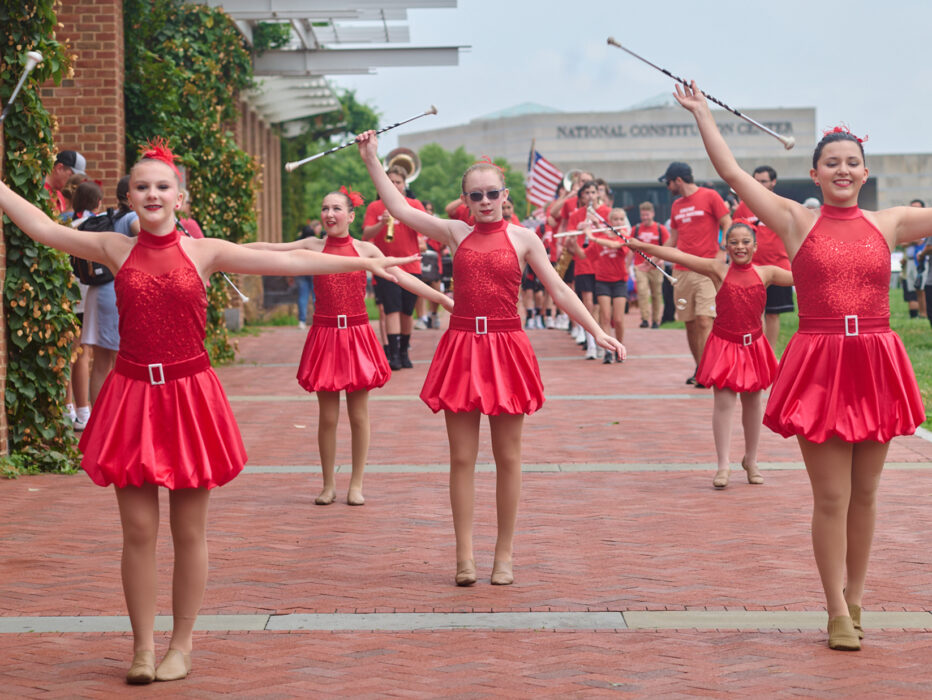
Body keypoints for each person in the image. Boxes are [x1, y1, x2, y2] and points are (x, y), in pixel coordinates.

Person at [0, 139, 416, 685]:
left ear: (181, 198)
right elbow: (46, 230)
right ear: (129, 196)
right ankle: (143, 648)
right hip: (131, 396)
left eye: (162, 186)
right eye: (142, 186)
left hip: (188, 397)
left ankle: (183, 643)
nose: (152, 194)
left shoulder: (205, 251)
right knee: (138, 531)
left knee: (189, 531)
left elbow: (286, 259)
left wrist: (369, 260)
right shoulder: (114, 249)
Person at [674, 81, 927, 651]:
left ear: (865, 172)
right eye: (831, 163)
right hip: (821, 362)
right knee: (832, 497)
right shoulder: (794, 221)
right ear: (814, 174)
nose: (842, 170)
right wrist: (702, 116)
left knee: (867, 494)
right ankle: (835, 608)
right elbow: (734, 175)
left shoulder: (890, 223)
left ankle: (857, 597)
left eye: (852, 163)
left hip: (876, 359)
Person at [357, 134, 625, 587]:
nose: (485, 202)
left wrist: (598, 331)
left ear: (506, 196)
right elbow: (401, 210)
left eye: (492, 194)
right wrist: (370, 159)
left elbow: (559, 290)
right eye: (476, 195)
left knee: (509, 457)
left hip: (506, 346)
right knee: (461, 458)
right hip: (462, 345)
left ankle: (504, 555)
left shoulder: (525, 239)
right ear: (465, 200)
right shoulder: (454, 231)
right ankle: (464, 557)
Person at [247, 188, 451, 506]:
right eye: (325, 208)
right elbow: (271, 250)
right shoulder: (312, 246)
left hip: (356, 335)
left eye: (337, 209)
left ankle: (356, 484)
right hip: (325, 335)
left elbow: (400, 276)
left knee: (358, 415)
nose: (329, 214)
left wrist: (441, 299)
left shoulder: (364, 248)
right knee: (327, 417)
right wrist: (221, 252)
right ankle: (328, 484)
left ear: (351, 216)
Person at [628, 220, 793, 486]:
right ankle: (723, 465)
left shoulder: (767, 273)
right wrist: (640, 246)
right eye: (734, 242)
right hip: (725, 344)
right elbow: (679, 255)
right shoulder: (718, 269)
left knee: (753, 403)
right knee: (724, 403)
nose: (740, 247)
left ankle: (751, 460)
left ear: (755, 246)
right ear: (725, 246)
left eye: (745, 242)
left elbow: (805, 276)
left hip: (753, 346)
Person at [660, 161, 732, 386]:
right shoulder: (676, 205)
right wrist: (656, 254)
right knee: (690, 322)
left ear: (678, 180)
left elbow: (726, 222)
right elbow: (673, 237)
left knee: (704, 320)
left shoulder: (710, 196)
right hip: (681, 272)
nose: (668, 186)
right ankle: (701, 369)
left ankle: (711, 369)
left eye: (668, 182)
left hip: (706, 268)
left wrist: (723, 250)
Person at [362, 166, 427, 370]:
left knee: (407, 312)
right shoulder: (375, 207)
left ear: (404, 185)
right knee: (392, 309)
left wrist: (407, 216)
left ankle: (404, 350)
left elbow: (425, 230)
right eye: (390, 182)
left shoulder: (414, 204)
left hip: (411, 264)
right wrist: (382, 223)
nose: (394, 186)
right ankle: (393, 354)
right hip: (386, 266)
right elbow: (365, 236)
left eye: (398, 182)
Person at [733, 166, 794, 347]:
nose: (759, 185)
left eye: (763, 181)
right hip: (752, 269)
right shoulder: (744, 206)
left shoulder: (783, 204)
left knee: (773, 313)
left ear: (773, 182)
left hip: (778, 268)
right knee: (753, 313)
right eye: (756, 181)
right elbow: (734, 232)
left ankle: (770, 356)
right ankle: (757, 353)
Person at [586, 208, 630, 363]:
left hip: (619, 281)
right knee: (605, 317)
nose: (618, 222)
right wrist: (573, 243)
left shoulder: (623, 235)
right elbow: (584, 255)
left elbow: (615, 246)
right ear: (610, 221)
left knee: (617, 319)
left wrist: (594, 238)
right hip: (602, 280)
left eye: (621, 219)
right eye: (616, 219)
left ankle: (620, 347)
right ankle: (608, 352)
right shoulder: (600, 235)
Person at [631, 202, 669, 329]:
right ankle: (645, 319)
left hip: (656, 265)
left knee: (656, 294)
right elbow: (630, 247)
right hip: (640, 265)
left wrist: (660, 260)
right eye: (643, 215)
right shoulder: (636, 229)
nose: (645, 217)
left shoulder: (660, 229)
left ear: (652, 214)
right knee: (642, 292)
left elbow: (667, 246)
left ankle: (655, 320)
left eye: (647, 214)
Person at [294, 219, 322, 329]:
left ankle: (302, 321)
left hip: (301, 271)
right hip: (314, 271)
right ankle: (318, 319)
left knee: (302, 297)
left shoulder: (298, 242)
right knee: (316, 297)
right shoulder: (315, 242)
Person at [45, 149, 87, 214]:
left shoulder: (59, 195)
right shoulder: (37, 190)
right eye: (72, 175)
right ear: (59, 168)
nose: (75, 181)